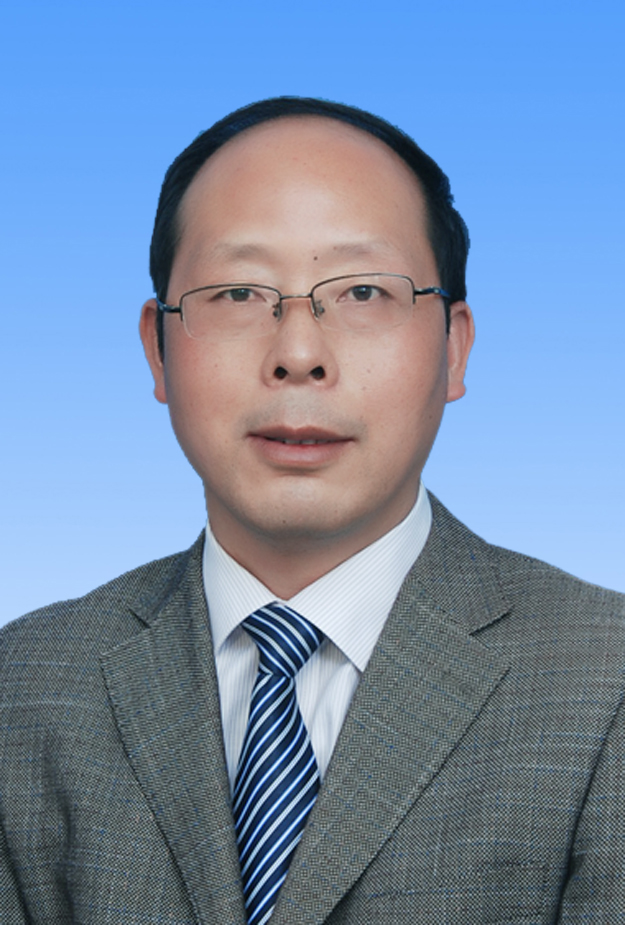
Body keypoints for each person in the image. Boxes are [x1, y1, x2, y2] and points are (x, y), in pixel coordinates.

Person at [1, 97, 624, 925]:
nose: (298, 354)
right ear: (157, 349)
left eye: (363, 290)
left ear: (452, 347)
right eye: (237, 292)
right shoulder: (24, 688)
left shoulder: (601, 680)